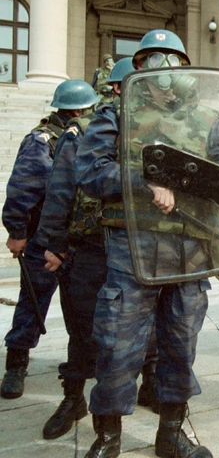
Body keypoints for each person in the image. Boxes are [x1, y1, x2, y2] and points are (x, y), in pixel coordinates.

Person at [75, 29, 219, 458]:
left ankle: (171, 433)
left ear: (187, 69)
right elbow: (91, 174)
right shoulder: (115, 115)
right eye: (152, 60)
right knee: (116, 344)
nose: (163, 70)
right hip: (131, 249)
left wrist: (175, 177)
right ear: (139, 68)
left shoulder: (208, 120)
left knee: (180, 344)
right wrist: (144, 180)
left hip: (189, 250)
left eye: (171, 60)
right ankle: (108, 437)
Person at [35, 59, 157, 441]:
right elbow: (60, 190)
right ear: (116, 89)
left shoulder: (156, 128)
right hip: (89, 248)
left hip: (135, 246)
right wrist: (53, 244)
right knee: (84, 330)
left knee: (146, 327)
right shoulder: (85, 130)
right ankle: (74, 398)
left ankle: (150, 385)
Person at [1, 80, 100, 400]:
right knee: (32, 303)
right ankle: (16, 364)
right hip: (43, 239)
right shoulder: (42, 140)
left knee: (80, 309)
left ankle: (82, 362)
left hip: (75, 240)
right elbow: (23, 188)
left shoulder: (85, 135)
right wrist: (17, 232)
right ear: (79, 109)